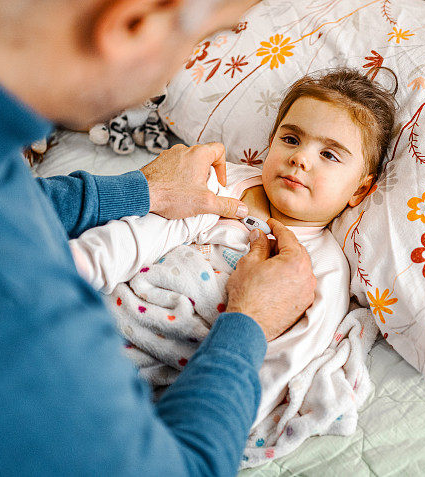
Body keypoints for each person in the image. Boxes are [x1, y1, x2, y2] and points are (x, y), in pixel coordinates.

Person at [0, 0, 327, 475]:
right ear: (136, 20)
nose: (168, 83)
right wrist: (248, 324)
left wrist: (141, 191)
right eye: (200, 38)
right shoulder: (0, 303)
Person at [69, 70, 398, 428]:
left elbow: (285, 361)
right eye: (290, 139)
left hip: (172, 377)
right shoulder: (224, 183)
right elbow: (145, 232)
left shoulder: (323, 268)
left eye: (330, 155)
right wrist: (77, 265)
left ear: (360, 191)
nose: (301, 158)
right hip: (97, 315)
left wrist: (235, 415)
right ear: (271, 143)